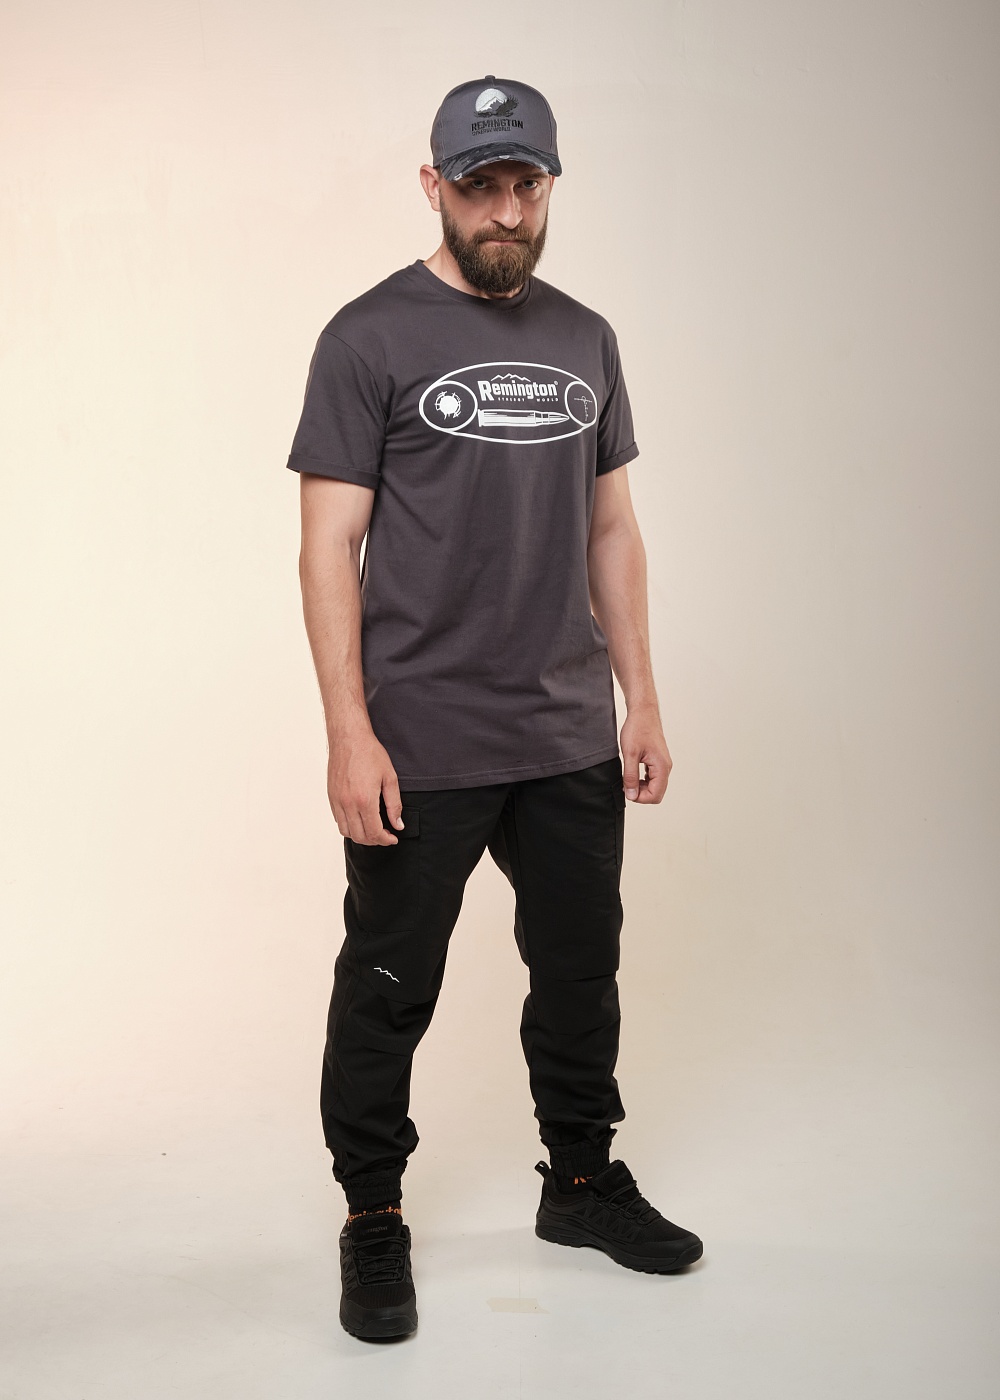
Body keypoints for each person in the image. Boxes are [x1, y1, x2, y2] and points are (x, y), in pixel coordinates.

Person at [286, 74, 703, 1341]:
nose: (506, 211)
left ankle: (578, 1182)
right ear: (435, 186)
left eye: (526, 184)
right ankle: (371, 1212)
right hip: (422, 740)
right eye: (480, 187)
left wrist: (640, 698)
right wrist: (348, 731)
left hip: (566, 730)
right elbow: (327, 546)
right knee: (388, 981)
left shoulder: (587, 339)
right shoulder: (366, 338)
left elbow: (612, 528)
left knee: (579, 971)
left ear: (549, 184)